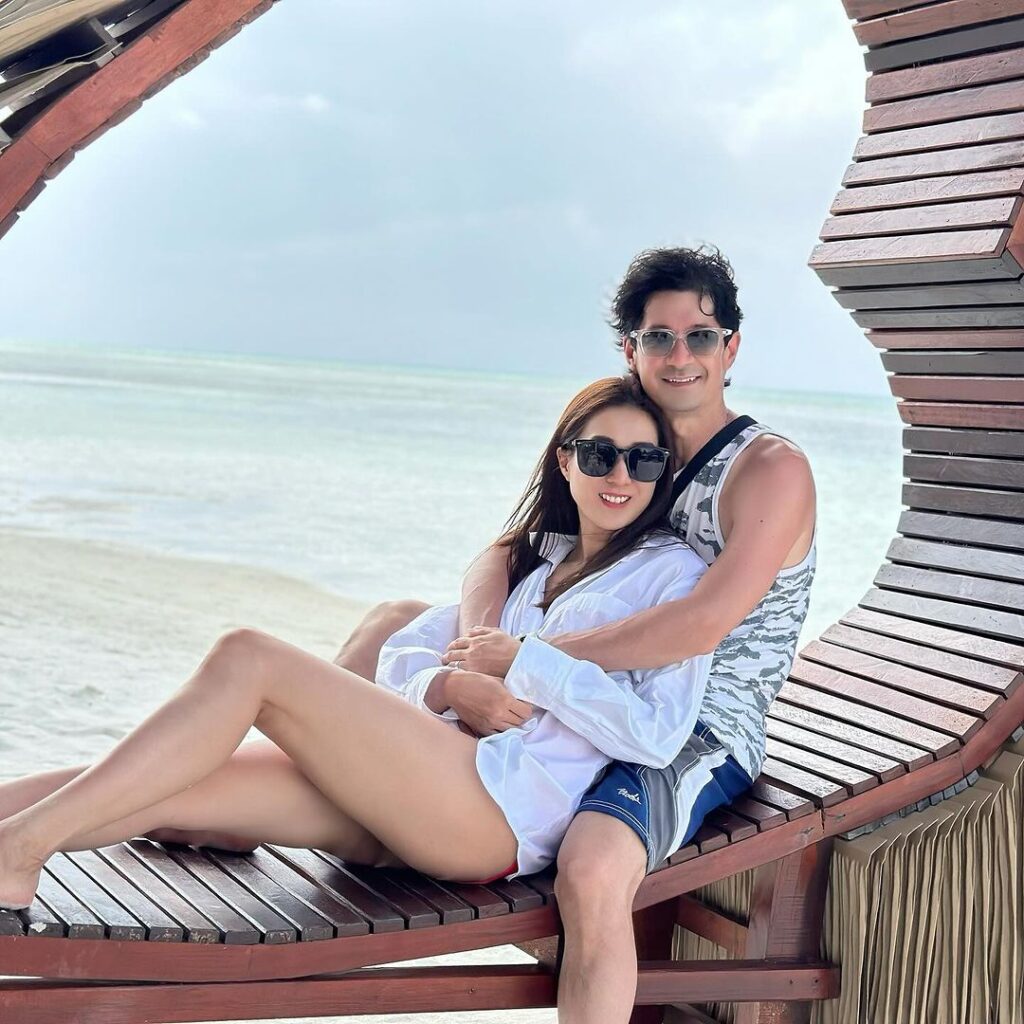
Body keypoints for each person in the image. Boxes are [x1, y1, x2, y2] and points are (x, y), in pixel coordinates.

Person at [0, 376, 714, 912]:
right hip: (419, 789)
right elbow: (408, 645)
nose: (620, 476)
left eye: (644, 461)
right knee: (174, 787)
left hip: (502, 810)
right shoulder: (537, 564)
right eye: (601, 454)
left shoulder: (672, 575)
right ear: (565, 461)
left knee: (250, 656)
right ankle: (12, 831)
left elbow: (655, 736)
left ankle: (21, 849)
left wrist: (530, 665)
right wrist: (442, 686)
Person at [333, 244, 818, 1023]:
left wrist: (528, 657)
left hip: (698, 724)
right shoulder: (631, 440)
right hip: (597, 691)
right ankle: (288, 803)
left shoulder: (766, 468)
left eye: (700, 336)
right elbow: (507, 550)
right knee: (389, 626)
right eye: (659, 337)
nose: (680, 356)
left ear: (731, 348)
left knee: (591, 869)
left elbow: (702, 624)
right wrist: (488, 649)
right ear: (630, 348)